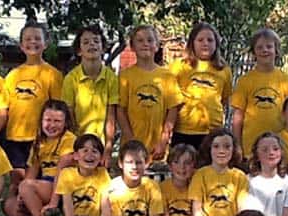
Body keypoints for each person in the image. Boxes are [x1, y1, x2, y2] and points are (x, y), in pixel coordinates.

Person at [4, 100, 76, 216]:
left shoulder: (69, 139)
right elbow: (32, 170)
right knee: (10, 205)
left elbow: (62, 172)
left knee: (27, 186)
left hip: (63, 188)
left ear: (65, 123)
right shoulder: (40, 141)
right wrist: (22, 194)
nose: (51, 125)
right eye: (48, 120)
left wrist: (52, 202)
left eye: (57, 121)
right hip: (43, 184)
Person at [3, 21, 63, 193]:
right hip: (14, 137)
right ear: (21, 45)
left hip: (39, 138)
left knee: (34, 184)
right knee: (17, 183)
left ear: (45, 43)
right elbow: (6, 108)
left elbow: (58, 108)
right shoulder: (13, 75)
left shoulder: (53, 74)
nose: (33, 42)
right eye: (28, 39)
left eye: (37, 38)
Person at [117, 24, 183, 161]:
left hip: (157, 148)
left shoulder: (167, 76)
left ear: (157, 45)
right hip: (131, 147)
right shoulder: (125, 76)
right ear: (132, 46)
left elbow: (173, 110)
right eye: (140, 41)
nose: (145, 44)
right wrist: (130, 140)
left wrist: (164, 141)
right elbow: (120, 110)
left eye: (149, 40)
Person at [55, 134, 118, 216]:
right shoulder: (67, 174)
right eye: (85, 150)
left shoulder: (102, 174)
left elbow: (105, 205)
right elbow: (67, 206)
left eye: (94, 151)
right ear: (76, 155)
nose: (90, 155)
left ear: (100, 158)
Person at [231, 28, 288, 158]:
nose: (264, 50)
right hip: (251, 146)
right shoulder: (245, 80)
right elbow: (238, 116)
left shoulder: (286, 80)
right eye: (259, 47)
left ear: (276, 50)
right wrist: (237, 145)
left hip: (278, 145)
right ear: (254, 52)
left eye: (269, 47)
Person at [169, 22, 232, 151]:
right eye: (200, 40)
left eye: (210, 40)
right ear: (192, 43)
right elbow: (171, 100)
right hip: (184, 130)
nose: (205, 43)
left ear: (216, 44)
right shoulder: (180, 66)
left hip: (212, 132)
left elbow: (224, 99)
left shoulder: (224, 69)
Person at [189, 129, 248, 216]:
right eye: (216, 146)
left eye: (227, 146)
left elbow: (242, 209)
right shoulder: (201, 174)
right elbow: (196, 210)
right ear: (209, 149)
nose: (222, 151)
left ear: (234, 150)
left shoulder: (239, 176)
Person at [62, 25, 118, 167]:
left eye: (96, 41)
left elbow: (111, 116)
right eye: (86, 42)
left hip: (100, 145)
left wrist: (108, 148)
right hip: (78, 143)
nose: (91, 44)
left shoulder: (111, 78)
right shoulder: (71, 79)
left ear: (103, 48)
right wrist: (76, 147)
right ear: (79, 51)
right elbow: (69, 116)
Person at [160, 144, 203, 216]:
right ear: (169, 165)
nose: (182, 167)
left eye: (187, 163)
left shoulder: (196, 185)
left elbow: (196, 214)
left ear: (194, 166)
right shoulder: (163, 188)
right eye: (176, 162)